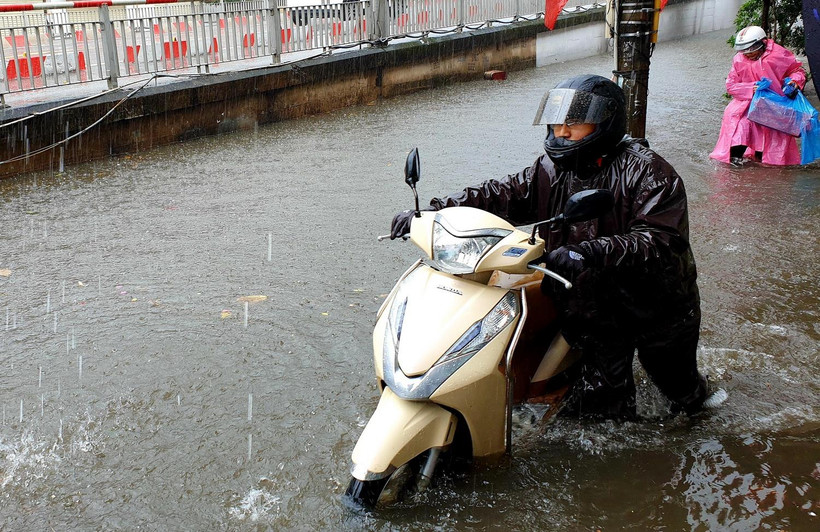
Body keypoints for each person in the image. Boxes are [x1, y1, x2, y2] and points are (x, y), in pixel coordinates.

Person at [391, 74, 725, 420]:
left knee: (679, 390)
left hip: (655, 306)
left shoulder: (650, 173)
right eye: (557, 122)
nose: (562, 132)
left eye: (575, 123)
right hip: (595, 307)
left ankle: (701, 410)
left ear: (605, 124)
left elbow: (659, 239)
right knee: (603, 404)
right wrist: (436, 211)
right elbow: (504, 193)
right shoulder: (550, 168)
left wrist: (589, 251)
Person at [710, 25, 806, 166]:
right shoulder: (738, 59)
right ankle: (733, 166)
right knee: (739, 134)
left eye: (751, 50)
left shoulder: (779, 54)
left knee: (771, 147)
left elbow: (797, 70)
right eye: (744, 50)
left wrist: (794, 82)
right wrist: (751, 88)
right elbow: (731, 85)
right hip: (747, 106)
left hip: (775, 105)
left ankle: (763, 170)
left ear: (762, 43)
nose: (747, 54)